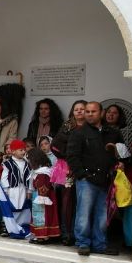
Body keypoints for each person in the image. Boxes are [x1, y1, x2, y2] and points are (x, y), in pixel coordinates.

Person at [66, 101, 121, 256]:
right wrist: (82, 175)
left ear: (101, 113)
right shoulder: (78, 133)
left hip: (106, 180)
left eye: (93, 111)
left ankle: (100, 244)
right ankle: (82, 243)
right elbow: (72, 156)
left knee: (102, 215)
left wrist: (119, 164)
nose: (89, 114)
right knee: (83, 213)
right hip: (86, 180)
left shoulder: (112, 132)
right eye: (87, 111)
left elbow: (122, 153)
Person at [51, 100, 87, 245]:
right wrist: (70, 156)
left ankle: (80, 234)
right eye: (76, 109)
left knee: (82, 203)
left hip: (85, 169)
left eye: (82, 109)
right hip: (67, 171)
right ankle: (66, 233)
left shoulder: (91, 128)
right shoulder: (67, 126)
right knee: (67, 203)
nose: (79, 111)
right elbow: (55, 146)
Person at [0, 139, 32, 239]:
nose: (23, 152)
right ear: (13, 151)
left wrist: (29, 190)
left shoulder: (27, 163)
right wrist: (6, 189)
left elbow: (30, 177)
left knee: (22, 207)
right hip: (12, 189)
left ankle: (20, 225)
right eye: (20, 150)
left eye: (23, 150)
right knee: (12, 207)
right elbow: (4, 177)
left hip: (23, 189)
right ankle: (8, 227)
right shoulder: (7, 164)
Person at [28, 148, 60, 243]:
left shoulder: (43, 172)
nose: (29, 162)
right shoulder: (38, 172)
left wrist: (41, 197)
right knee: (38, 215)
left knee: (42, 216)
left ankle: (43, 236)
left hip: (43, 197)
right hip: (38, 195)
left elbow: (43, 186)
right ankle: (39, 235)